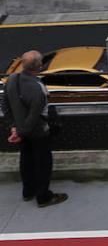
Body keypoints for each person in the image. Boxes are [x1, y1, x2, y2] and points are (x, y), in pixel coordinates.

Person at [4, 51, 68, 208]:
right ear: (39, 66)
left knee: (26, 159)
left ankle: (28, 191)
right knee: (42, 163)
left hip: (19, 128)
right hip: (37, 131)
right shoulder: (37, 87)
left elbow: (5, 106)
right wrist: (20, 132)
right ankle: (43, 197)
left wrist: (14, 128)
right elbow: (34, 115)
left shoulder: (11, 80)